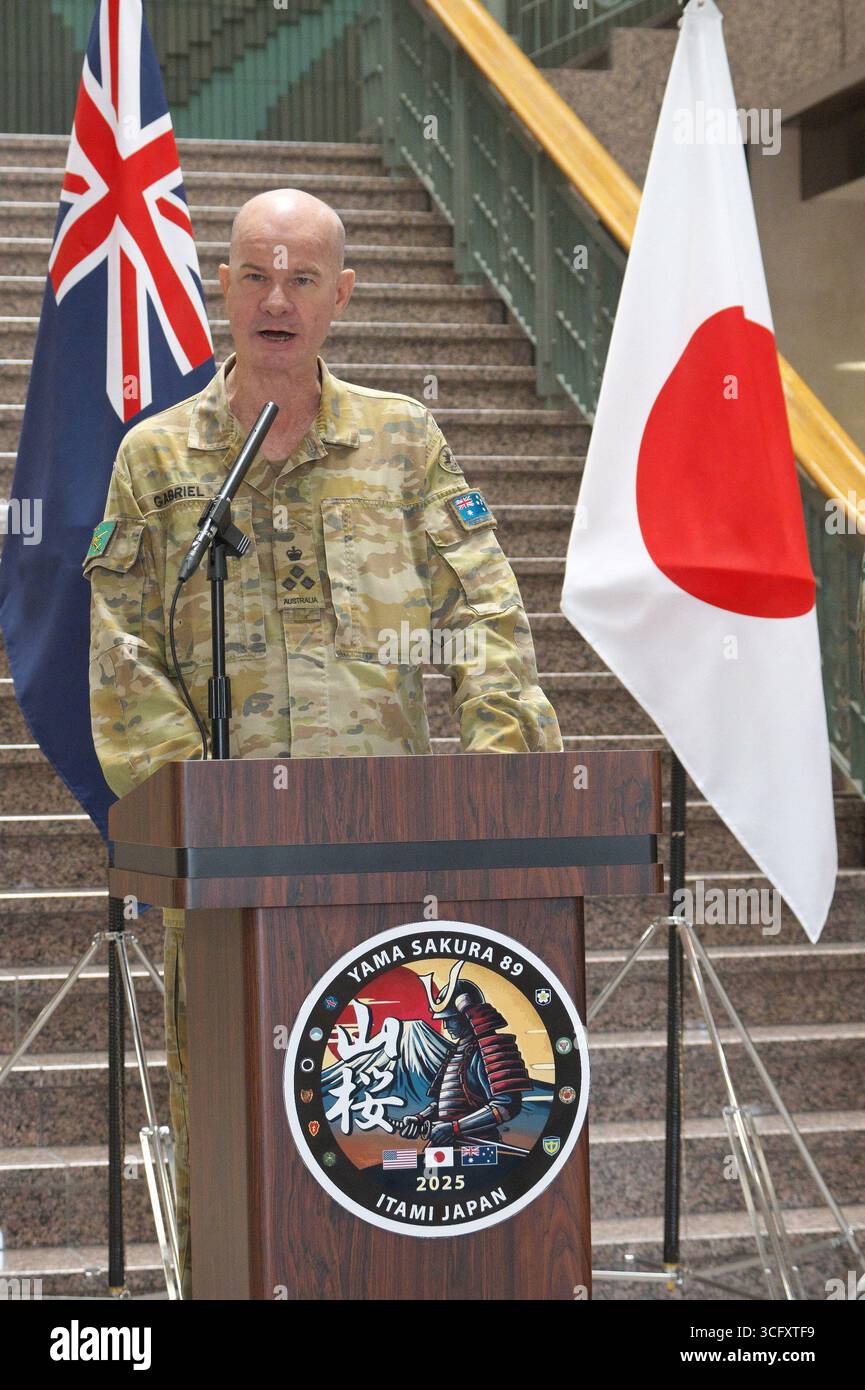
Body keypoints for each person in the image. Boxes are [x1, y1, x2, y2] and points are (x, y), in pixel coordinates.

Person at [84, 189, 562, 1298]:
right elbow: (114, 649)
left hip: (398, 870)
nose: (276, 299)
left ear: (341, 295)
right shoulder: (159, 462)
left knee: (394, 1143)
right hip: (229, 877)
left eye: (302, 279)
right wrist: (198, 813)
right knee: (241, 1131)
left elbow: (487, 612)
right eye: (254, 274)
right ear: (222, 290)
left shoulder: (403, 441)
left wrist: (496, 787)